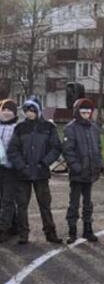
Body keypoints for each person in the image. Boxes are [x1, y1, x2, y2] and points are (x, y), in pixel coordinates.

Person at [7, 97, 63, 244]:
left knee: (45, 205)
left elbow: (55, 148)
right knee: (22, 205)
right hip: (23, 174)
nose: (30, 114)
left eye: (32, 110)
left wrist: (44, 163)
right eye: (27, 111)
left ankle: (50, 233)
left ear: (38, 110)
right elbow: (13, 150)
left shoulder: (48, 128)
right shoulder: (20, 128)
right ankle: (23, 234)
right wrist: (21, 166)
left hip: (41, 173)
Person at [62, 98, 104, 244]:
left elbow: (98, 148)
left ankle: (88, 229)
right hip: (77, 173)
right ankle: (72, 231)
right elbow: (68, 151)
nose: (86, 114)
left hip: (90, 172)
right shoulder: (70, 128)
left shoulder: (94, 128)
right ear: (77, 112)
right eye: (83, 112)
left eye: (88, 112)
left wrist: (100, 164)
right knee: (74, 202)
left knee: (88, 203)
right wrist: (77, 168)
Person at [0, 99, 19, 242]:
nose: (6, 113)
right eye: (4, 109)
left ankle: (4, 228)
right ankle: (14, 224)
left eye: (10, 110)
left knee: (7, 199)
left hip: (11, 169)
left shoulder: (17, 128)